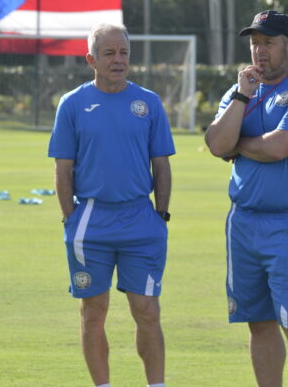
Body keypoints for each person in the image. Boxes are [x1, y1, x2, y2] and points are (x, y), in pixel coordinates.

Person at [204, 10, 288, 387]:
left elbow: (279, 148)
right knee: (258, 322)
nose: (260, 52)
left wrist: (238, 146)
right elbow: (215, 144)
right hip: (243, 222)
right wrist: (244, 95)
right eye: (254, 43)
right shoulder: (239, 90)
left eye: (269, 43)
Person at [48, 23, 175, 387]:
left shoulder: (148, 102)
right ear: (91, 59)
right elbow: (63, 167)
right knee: (93, 312)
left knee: (147, 310)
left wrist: (160, 215)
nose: (118, 60)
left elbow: (161, 164)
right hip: (91, 221)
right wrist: (71, 219)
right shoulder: (72, 104)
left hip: (141, 220)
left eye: (123, 53)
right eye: (109, 53)